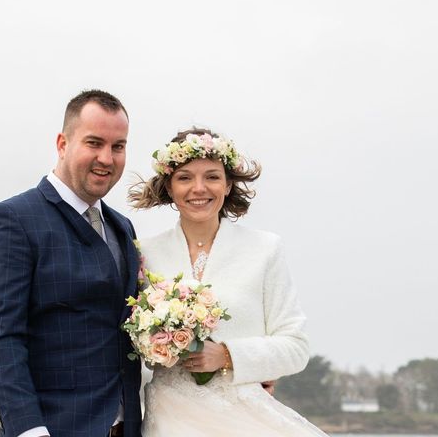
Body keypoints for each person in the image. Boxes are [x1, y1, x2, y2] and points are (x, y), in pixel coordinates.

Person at [128, 128, 328, 436]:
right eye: (184, 178)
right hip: (170, 419)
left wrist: (228, 356)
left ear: (228, 183)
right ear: (169, 185)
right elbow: (128, 344)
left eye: (211, 176)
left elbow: (296, 346)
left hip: (244, 419)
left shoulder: (265, 249)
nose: (199, 188)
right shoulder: (144, 253)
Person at [0, 90, 142, 437]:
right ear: (62, 144)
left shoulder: (123, 228)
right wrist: (29, 430)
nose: (106, 158)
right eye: (94, 143)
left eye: (118, 146)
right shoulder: (12, 220)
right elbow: (0, 339)